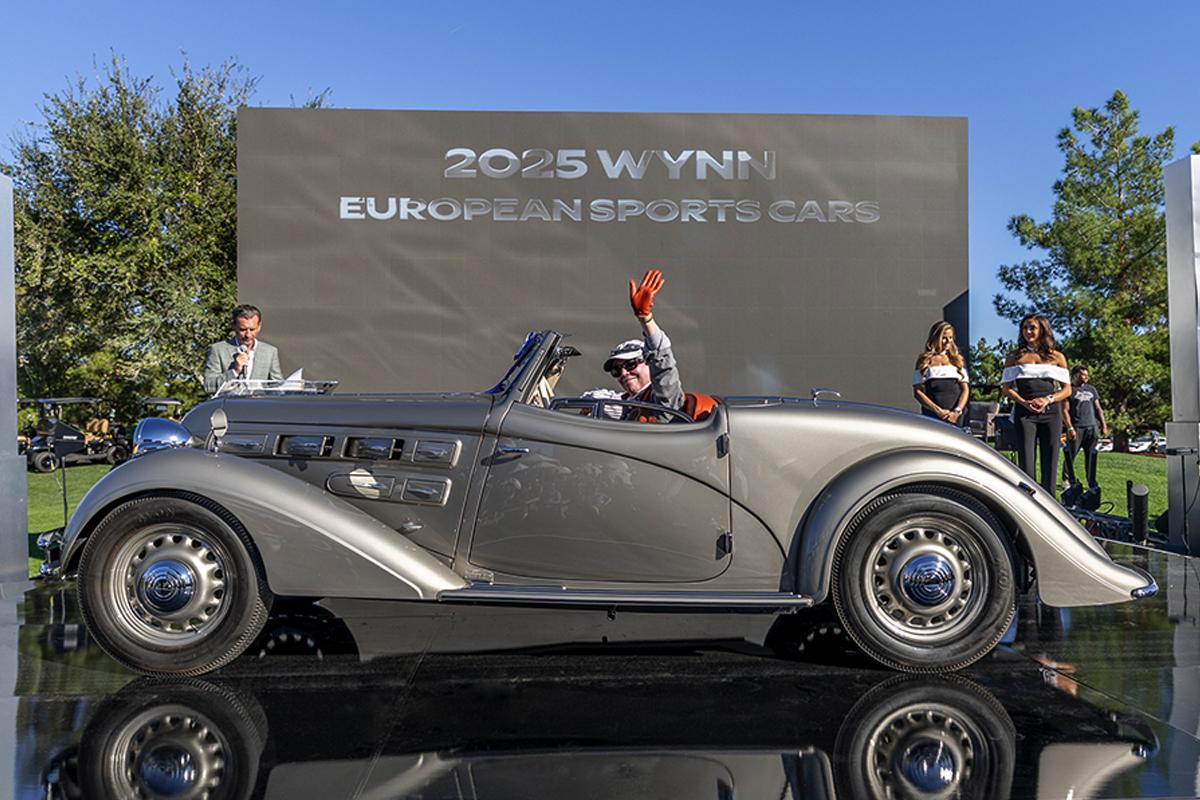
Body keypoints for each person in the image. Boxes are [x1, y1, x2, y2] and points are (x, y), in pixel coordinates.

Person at [1000, 314, 1071, 495]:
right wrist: (1024, 402)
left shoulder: (1056, 357)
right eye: (1024, 328)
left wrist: (1047, 399)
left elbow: (1067, 390)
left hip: (1051, 413)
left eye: (1032, 328)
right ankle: (1027, 503)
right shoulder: (1014, 357)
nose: (1028, 332)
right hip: (1025, 413)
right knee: (1026, 463)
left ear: (1042, 330)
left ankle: (1050, 506)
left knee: (1050, 462)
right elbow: (1006, 388)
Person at [602, 269, 685, 419]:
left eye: (631, 364)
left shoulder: (661, 401)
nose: (624, 374)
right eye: (616, 370)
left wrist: (645, 319)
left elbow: (663, 370)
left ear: (649, 363)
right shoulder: (624, 402)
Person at [202, 304, 283, 394]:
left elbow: (276, 386)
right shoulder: (218, 350)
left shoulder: (270, 352)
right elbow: (209, 386)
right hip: (230, 406)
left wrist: (292, 388)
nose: (248, 335)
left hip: (259, 406)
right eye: (243, 330)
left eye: (252, 330)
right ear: (234, 326)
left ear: (259, 327)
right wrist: (234, 371)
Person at [912, 321, 970, 426]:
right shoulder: (923, 360)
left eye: (951, 337)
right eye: (944, 337)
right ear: (935, 337)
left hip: (956, 417)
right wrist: (938, 411)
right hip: (932, 415)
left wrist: (957, 412)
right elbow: (918, 392)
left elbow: (965, 389)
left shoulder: (958, 360)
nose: (948, 341)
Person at [1061, 366, 1107, 490]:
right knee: (1071, 455)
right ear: (1075, 375)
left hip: (1092, 428)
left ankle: (1092, 482)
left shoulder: (1091, 389)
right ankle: (1067, 480)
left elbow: (1098, 409)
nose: (1086, 377)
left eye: (1087, 375)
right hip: (1077, 428)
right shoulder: (1069, 390)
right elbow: (1064, 411)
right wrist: (1069, 428)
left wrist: (1104, 425)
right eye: (1083, 375)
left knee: (1091, 456)